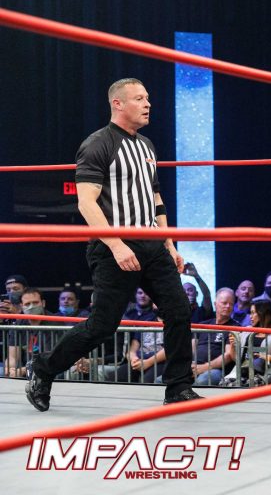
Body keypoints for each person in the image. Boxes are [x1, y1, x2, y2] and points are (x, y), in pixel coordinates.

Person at [25, 78, 200, 411]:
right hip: (112, 247)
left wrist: (170, 243)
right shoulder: (97, 144)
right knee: (103, 326)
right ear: (118, 104)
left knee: (179, 310)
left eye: (148, 98)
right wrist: (117, 245)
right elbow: (86, 202)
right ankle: (44, 368)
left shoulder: (147, 146)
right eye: (139, 99)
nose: (148, 104)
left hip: (152, 244)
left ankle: (179, 388)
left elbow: (156, 198)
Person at [193, 288, 237, 386]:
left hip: (217, 370)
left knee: (202, 381)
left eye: (231, 304)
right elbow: (191, 347)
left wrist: (205, 367)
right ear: (215, 304)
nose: (228, 306)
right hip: (195, 365)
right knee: (165, 378)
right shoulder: (203, 325)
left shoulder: (235, 327)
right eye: (224, 303)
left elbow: (228, 355)